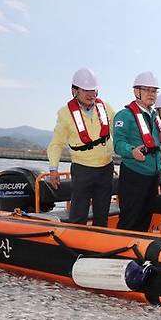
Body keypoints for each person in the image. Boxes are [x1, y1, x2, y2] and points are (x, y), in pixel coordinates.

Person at [47, 68, 115, 227]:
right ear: (74, 91)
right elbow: (56, 144)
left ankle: (99, 247)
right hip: (82, 169)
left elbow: (118, 133)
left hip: (106, 167)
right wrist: (53, 169)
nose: (92, 94)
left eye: (94, 90)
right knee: (78, 215)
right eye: (86, 90)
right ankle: (76, 247)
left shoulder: (106, 107)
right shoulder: (65, 114)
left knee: (102, 214)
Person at [113, 71, 161, 232]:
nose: (152, 94)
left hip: (152, 177)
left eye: (154, 90)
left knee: (145, 219)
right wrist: (131, 151)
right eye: (147, 90)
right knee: (130, 219)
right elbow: (119, 143)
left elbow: (155, 142)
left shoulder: (154, 116)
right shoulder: (124, 116)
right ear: (137, 92)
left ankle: (138, 255)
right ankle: (120, 255)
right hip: (134, 176)